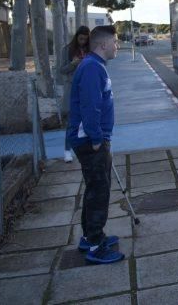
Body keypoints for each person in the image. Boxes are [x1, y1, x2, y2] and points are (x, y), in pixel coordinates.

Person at [66, 25, 123, 264]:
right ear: (102, 45)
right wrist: (98, 139)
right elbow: (91, 107)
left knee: (94, 189)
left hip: (92, 140)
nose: (116, 46)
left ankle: (90, 237)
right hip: (91, 142)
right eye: (115, 42)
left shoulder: (94, 65)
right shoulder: (91, 68)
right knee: (99, 191)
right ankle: (96, 246)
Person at [59, 26, 90, 162]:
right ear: (76, 37)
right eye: (81, 38)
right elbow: (61, 70)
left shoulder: (91, 50)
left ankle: (87, 149)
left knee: (89, 121)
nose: (83, 42)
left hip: (88, 89)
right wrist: (73, 64)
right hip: (72, 89)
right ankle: (67, 151)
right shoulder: (67, 50)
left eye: (85, 39)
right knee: (72, 123)